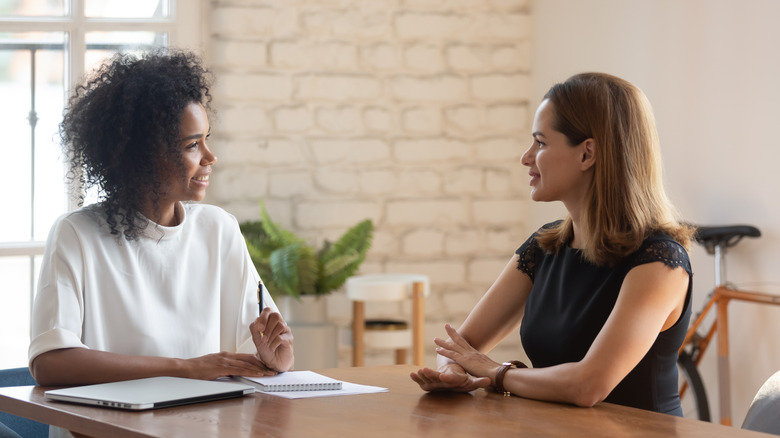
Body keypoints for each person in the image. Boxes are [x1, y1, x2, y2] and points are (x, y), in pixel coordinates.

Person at [410, 72, 694, 416]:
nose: (526, 157)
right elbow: (460, 347)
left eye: (541, 143)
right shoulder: (544, 247)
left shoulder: (660, 262)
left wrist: (494, 372)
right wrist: (453, 372)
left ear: (587, 154)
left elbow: (588, 385)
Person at [28, 49, 294, 390]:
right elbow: (51, 363)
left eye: (206, 140)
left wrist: (279, 358)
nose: (211, 157)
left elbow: (256, 350)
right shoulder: (77, 235)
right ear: (144, 157)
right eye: (192, 145)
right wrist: (185, 368)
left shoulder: (218, 229)